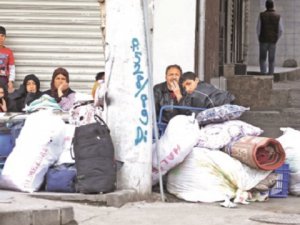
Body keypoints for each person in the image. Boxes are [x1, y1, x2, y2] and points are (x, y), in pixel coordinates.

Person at [257, 0, 283, 75]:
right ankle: (271, 74)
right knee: (271, 60)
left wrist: (259, 38)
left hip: (263, 40)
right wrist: (276, 38)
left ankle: (263, 73)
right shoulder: (278, 16)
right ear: (273, 6)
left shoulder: (261, 15)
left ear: (266, 6)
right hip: (273, 41)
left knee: (262, 58)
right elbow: (281, 30)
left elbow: (258, 28)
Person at [0, 26, 15, 93]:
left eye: (2, 36)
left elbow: (12, 68)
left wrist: (10, 81)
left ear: (5, 37)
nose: (0, 38)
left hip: (3, 79)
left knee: (4, 98)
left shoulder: (8, 51)